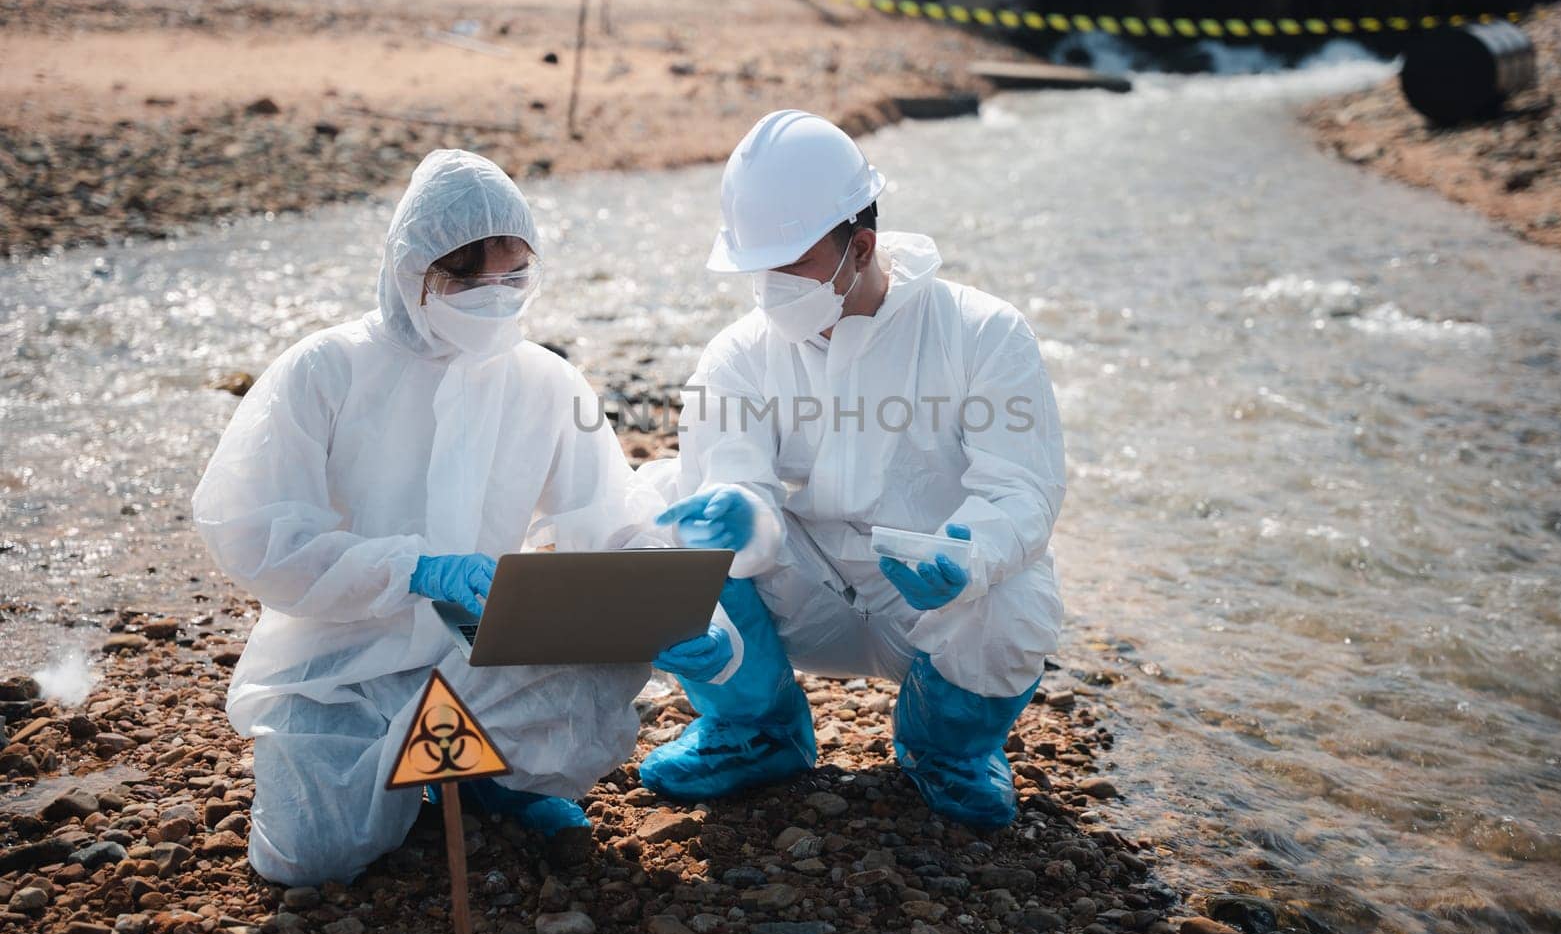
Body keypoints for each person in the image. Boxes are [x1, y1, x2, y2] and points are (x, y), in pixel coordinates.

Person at [192, 150, 733, 886]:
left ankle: (490, 780)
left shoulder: (544, 382)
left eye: (512, 275)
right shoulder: (327, 370)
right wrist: (410, 568)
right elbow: (254, 533)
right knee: (309, 858)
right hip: (336, 667)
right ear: (410, 268)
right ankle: (417, 774)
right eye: (466, 276)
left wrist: (692, 615)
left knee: (607, 657)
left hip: (476, 652)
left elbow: (611, 523)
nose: (493, 294)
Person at [638, 110, 1067, 829]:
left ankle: (950, 748)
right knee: (647, 516)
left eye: (790, 266)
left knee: (1018, 596)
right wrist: (742, 507)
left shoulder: (982, 332)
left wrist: (970, 554)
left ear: (860, 246)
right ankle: (755, 729)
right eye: (757, 268)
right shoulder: (740, 354)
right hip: (800, 594)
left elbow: (1021, 487)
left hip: (928, 602)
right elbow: (729, 471)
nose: (769, 287)